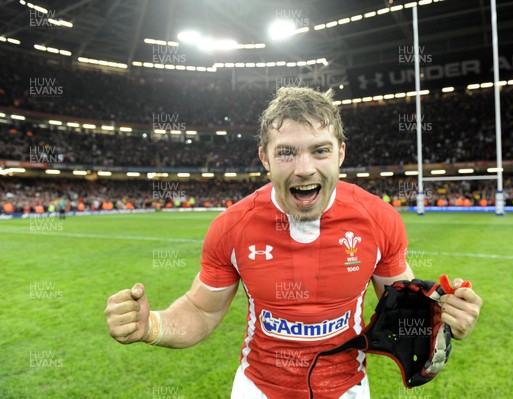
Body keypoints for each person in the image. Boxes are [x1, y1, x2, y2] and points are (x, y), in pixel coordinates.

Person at [104, 87, 482, 399]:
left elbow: (402, 308)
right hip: (259, 390)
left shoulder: (378, 219)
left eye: (320, 150)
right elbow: (201, 312)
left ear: (341, 154)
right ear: (264, 158)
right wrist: (151, 326)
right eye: (286, 152)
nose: (304, 168)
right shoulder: (232, 227)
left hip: (348, 389)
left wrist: (445, 319)